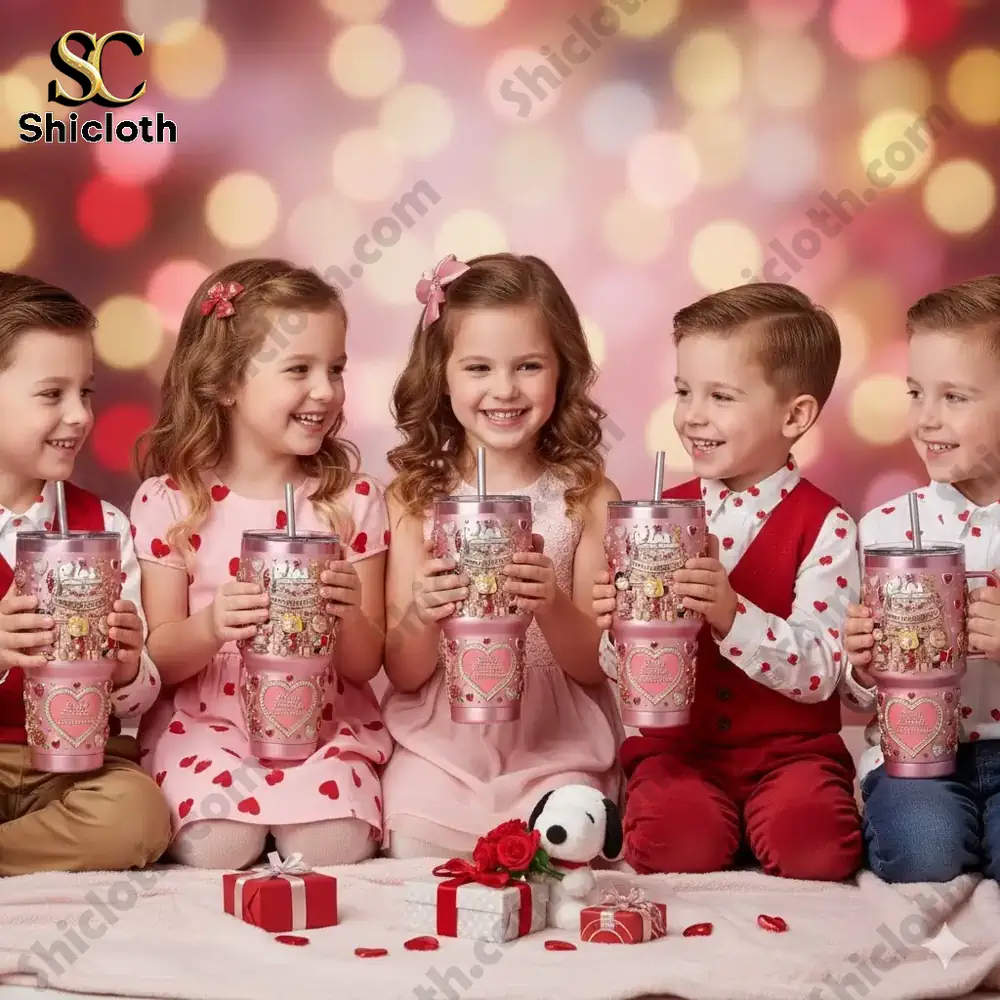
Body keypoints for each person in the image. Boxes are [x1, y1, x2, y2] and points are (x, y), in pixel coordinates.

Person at [596, 282, 862, 880]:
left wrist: (733, 614)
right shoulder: (658, 516)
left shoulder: (827, 525)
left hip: (791, 754)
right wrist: (618, 629)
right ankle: (716, 821)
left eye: (721, 396)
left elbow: (823, 668)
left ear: (795, 415)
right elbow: (624, 674)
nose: (692, 415)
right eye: (684, 391)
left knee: (816, 849)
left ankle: (767, 819)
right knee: (673, 846)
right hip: (680, 752)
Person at [131, 259, 391, 869]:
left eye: (336, 369)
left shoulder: (353, 502)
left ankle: (297, 813)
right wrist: (211, 626)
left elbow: (363, 664)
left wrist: (349, 611)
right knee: (215, 846)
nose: (324, 391)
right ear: (225, 383)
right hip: (208, 727)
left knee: (338, 845)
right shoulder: (170, 502)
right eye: (298, 369)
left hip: (323, 725)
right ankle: (243, 820)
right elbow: (159, 659)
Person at [380, 253, 623, 858]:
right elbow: (404, 670)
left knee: (566, 841)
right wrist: (422, 611)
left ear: (563, 370)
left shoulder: (587, 496)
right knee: (414, 840)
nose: (504, 389)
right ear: (442, 375)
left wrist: (552, 602)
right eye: (479, 367)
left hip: (555, 737)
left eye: (529, 366)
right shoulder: (413, 497)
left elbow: (594, 665)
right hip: (445, 740)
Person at [0, 271, 170, 876]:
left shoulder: (107, 526)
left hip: (76, 764)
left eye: (87, 392)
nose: (79, 415)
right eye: (52, 394)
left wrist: (127, 667)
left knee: (137, 815)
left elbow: (138, 695)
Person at [843, 275, 1000, 883]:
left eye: (955, 397)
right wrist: (860, 664)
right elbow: (857, 698)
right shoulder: (885, 529)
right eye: (915, 392)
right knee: (925, 850)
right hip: (915, 759)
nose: (925, 419)